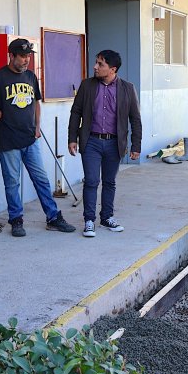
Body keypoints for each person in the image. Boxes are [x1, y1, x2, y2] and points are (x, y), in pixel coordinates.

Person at [0, 38, 76, 237]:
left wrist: (37, 126)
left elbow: (36, 102)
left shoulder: (30, 76)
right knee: (12, 183)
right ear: (11, 55)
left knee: (42, 180)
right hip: (8, 140)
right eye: (22, 56)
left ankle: (53, 217)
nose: (26, 60)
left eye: (28, 56)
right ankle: (16, 220)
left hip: (30, 139)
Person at [68, 50, 142, 237]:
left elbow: (135, 118)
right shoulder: (87, 86)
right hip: (91, 141)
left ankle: (107, 217)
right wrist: (72, 138)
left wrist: (136, 146)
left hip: (114, 143)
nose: (95, 67)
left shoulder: (127, 88)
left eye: (100, 64)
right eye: (96, 62)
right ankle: (89, 220)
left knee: (110, 182)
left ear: (112, 69)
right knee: (91, 181)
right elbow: (76, 112)